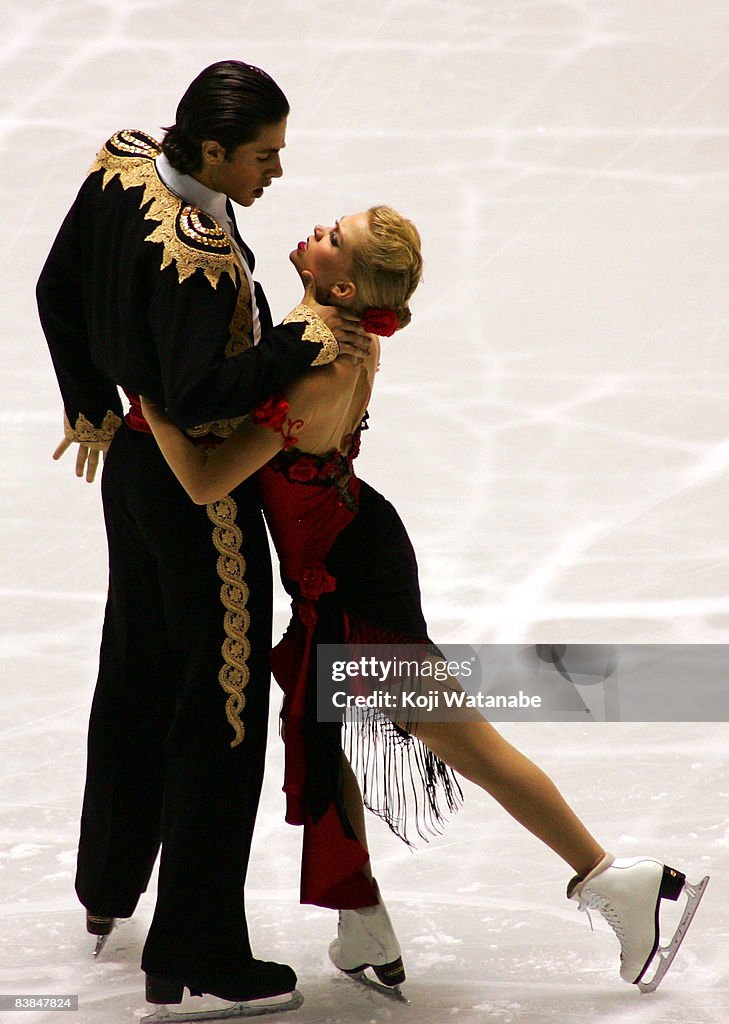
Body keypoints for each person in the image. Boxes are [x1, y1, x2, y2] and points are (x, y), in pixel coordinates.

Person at [140, 206, 709, 1001]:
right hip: (336, 563)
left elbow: (206, 480)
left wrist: (147, 401)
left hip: (355, 581)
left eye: (333, 237)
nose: (315, 228)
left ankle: (620, 880)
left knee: (465, 744)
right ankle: (361, 920)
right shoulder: (319, 330)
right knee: (314, 730)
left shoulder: (321, 364)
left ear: (341, 282)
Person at [36, 60, 370, 1012]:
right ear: (214, 149)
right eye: (263, 156)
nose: (276, 173)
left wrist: (92, 406)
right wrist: (295, 345)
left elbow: (53, 286)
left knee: (136, 665)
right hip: (200, 502)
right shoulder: (203, 256)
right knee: (220, 714)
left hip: (135, 478)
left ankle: (107, 885)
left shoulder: (122, 164)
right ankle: (199, 947)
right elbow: (196, 393)